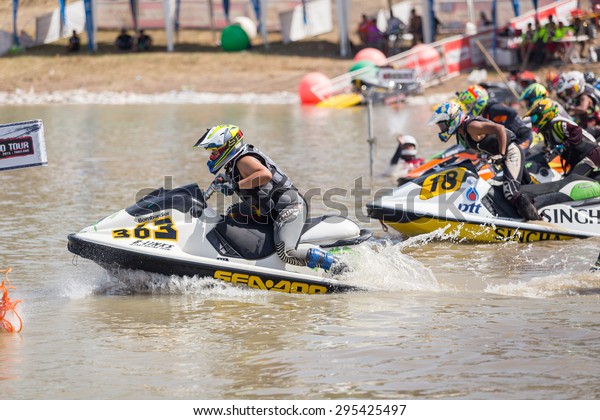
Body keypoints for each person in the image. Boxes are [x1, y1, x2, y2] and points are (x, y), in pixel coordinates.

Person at [193, 124, 344, 272]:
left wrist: (236, 185)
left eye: (214, 150)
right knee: (233, 212)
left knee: (286, 253)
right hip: (269, 210)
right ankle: (248, 257)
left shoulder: (243, 160)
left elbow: (265, 175)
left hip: (289, 208)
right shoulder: (233, 164)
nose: (212, 155)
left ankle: (339, 267)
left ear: (228, 146)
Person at [428, 102, 541, 220]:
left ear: (451, 119)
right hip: (505, 156)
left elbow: (500, 129)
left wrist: (501, 154)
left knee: (511, 192)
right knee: (525, 186)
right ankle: (531, 211)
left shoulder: (471, 126)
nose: (441, 129)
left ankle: (536, 222)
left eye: (442, 125)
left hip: (511, 152)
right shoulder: (462, 133)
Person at [525, 98, 600, 177]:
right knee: (565, 179)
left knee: (571, 182)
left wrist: (563, 146)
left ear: (545, 114)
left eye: (535, 118)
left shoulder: (558, 123)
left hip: (590, 154)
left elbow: (577, 132)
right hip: (579, 159)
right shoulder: (548, 130)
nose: (533, 121)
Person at [456, 84, 534, 151]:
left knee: (515, 161)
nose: (470, 108)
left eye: (470, 105)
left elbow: (513, 112)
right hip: (516, 139)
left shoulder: (492, 108)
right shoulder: (486, 112)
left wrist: (505, 129)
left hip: (523, 136)